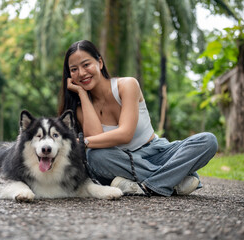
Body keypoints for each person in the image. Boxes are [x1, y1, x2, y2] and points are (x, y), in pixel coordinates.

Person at [58, 40, 218, 196]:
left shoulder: (126, 85)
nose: (81, 73)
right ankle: (175, 179)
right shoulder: (81, 108)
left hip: (157, 153)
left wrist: (83, 142)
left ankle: (142, 186)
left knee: (208, 141)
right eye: (74, 69)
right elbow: (97, 141)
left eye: (86, 65)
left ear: (100, 62)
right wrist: (82, 94)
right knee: (95, 156)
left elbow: (125, 134)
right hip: (121, 161)